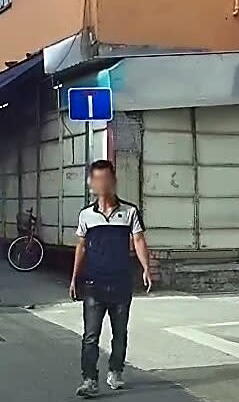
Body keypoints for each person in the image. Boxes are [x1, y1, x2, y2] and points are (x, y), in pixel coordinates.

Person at [69, 160, 152, 397]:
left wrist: (146, 268)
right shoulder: (86, 215)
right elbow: (81, 247)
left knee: (120, 333)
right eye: (97, 180)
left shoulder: (130, 212)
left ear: (114, 180)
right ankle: (89, 380)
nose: (102, 184)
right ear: (91, 184)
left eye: (106, 179)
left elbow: (138, 241)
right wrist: (74, 278)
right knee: (90, 336)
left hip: (121, 283)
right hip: (94, 283)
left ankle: (115, 371)